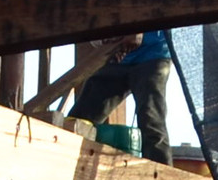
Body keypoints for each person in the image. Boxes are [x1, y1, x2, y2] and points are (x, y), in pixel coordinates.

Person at [71, 28, 177, 161]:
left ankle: (161, 175)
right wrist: (110, 41)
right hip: (120, 59)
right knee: (81, 115)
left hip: (153, 53)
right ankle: (65, 160)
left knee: (150, 117)